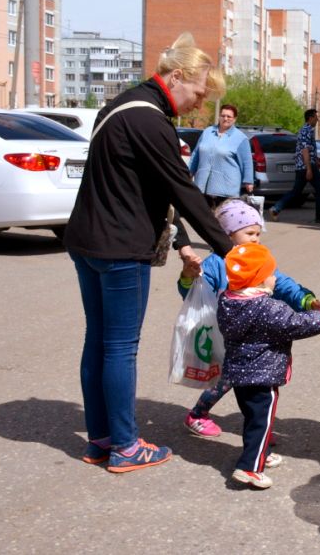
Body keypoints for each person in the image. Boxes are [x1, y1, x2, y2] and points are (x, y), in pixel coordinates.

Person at [63, 32, 235, 473]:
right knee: (120, 347)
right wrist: (231, 249)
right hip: (121, 248)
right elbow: (184, 190)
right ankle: (125, 445)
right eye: (198, 92)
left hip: (87, 242)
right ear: (177, 77)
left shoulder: (119, 108)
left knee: (97, 340)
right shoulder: (150, 121)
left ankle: (101, 438)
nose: (200, 104)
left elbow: (144, 187)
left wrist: (179, 242)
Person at [178, 199, 320, 439]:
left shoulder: (258, 257)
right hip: (224, 333)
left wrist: (305, 299)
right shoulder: (215, 263)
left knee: (246, 383)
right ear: (227, 233)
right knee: (228, 380)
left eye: (258, 233)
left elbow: (282, 283)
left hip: (251, 335)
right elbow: (194, 295)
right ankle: (198, 415)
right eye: (249, 233)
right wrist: (187, 278)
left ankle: (257, 428)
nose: (256, 238)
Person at [218, 242, 320, 488]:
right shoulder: (267, 308)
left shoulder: (228, 301)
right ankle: (249, 468)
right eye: (271, 274)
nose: (275, 278)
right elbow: (296, 324)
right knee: (261, 420)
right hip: (262, 376)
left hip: (238, 373)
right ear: (258, 280)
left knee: (253, 419)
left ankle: (260, 454)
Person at [268, 109, 320, 223]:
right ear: (310, 118)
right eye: (316, 117)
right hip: (306, 166)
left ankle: (276, 208)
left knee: (296, 192)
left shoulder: (306, 130)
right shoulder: (306, 130)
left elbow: (309, 150)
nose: (317, 119)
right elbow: (305, 150)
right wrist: (309, 169)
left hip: (305, 165)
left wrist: (317, 162)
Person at [189, 104, 254, 208]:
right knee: (204, 219)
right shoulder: (207, 132)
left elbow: (247, 162)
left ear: (234, 119)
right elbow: (196, 153)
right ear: (219, 116)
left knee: (224, 221)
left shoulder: (240, 138)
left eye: (229, 116)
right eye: (223, 115)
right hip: (202, 185)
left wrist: (248, 182)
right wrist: (190, 172)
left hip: (226, 189)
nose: (225, 118)